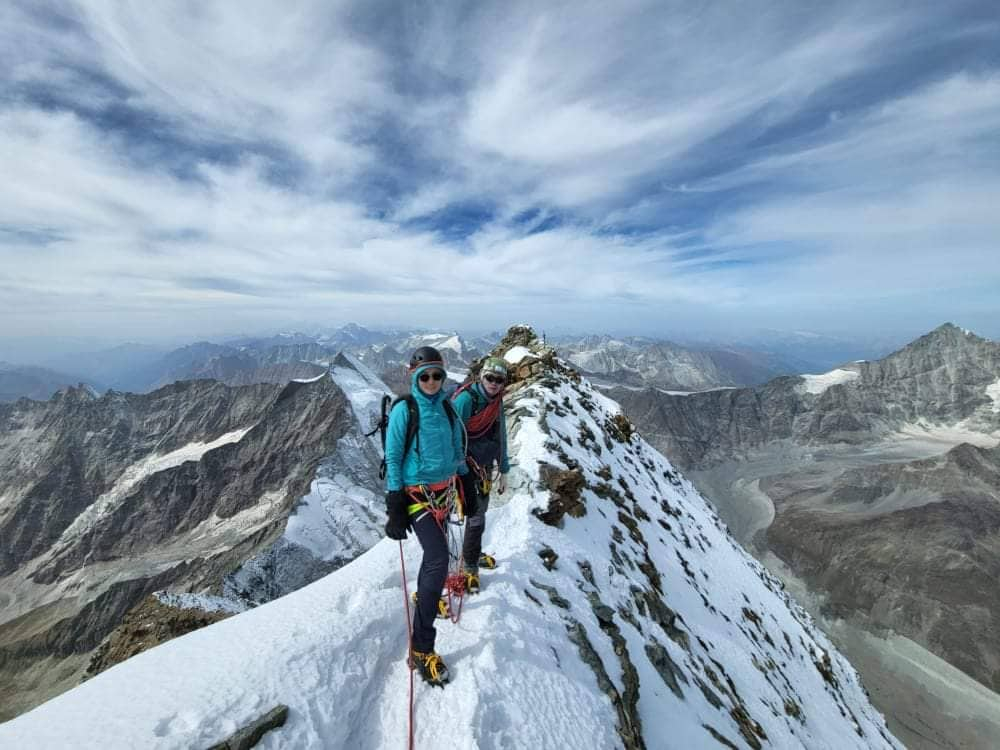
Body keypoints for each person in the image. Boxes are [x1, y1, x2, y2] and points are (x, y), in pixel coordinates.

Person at [383, 346, 467, 686]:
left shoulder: (447, 407)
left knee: (435, 560)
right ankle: (421, 648)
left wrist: (467, 485)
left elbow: (455, 449)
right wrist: (394, 504)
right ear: (414, 376)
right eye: (425, 376)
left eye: (438, 375)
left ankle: (424, 597)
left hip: (444, 493)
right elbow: (392, 455)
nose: (432, 381)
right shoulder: (406, 409)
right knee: (438, 559)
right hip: (417, 497)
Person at [453, 356, 510, 595]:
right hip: (464, 469)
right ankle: (470, 567)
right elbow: (453, 435)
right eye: (490, 378)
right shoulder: (466, 400)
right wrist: (458, 470)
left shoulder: (497, 403)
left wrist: (504, 469)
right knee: (475, 516)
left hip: (483, 468)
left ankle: (471, 553)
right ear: (481, 376)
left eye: (499, 380)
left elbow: (501, 435)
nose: (494, 384)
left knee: (479, 514)